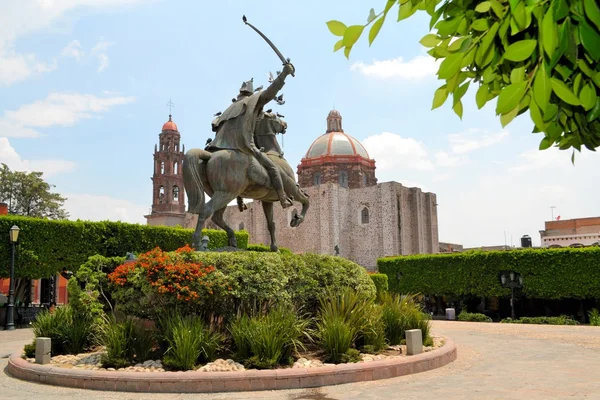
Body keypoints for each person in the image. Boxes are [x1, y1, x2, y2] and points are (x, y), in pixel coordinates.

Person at [207, 63, 295, 208]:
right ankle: (283, 197)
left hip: (214, 148)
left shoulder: (229, 108)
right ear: (250, 93)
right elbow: (270, 93)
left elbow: (215, 125)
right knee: (273, 168)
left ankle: (239, 199)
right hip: (244, 146)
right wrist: (284, 74)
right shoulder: (251, 102)